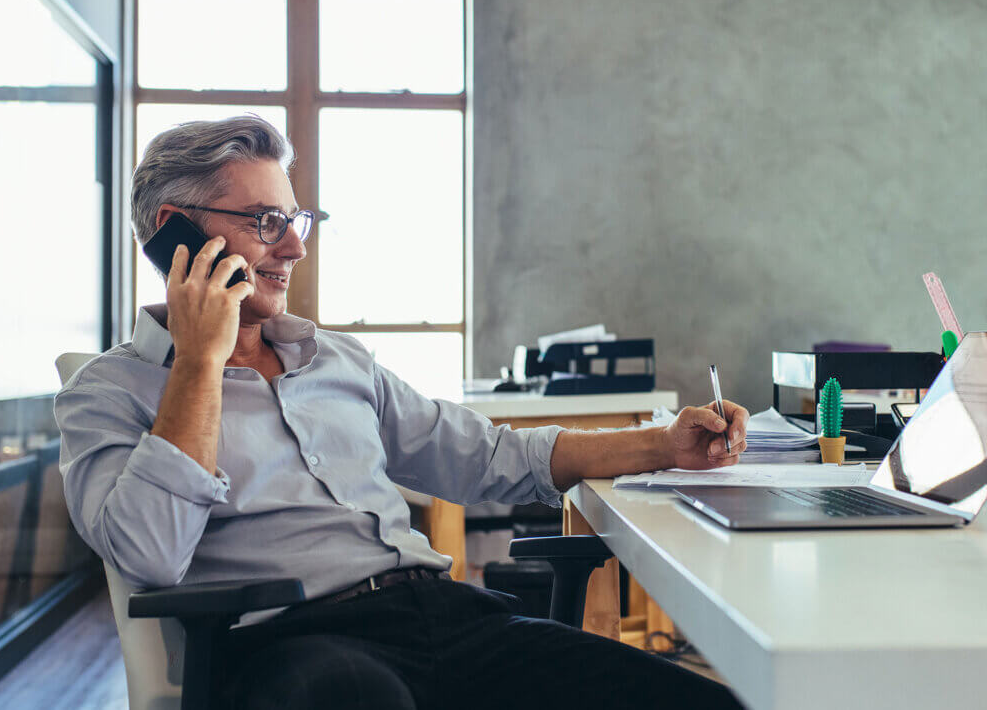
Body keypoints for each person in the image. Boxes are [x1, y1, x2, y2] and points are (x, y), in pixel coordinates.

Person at [55, 116, 750, 709]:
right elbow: (149, 551)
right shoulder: (108, 392)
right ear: (173, 233)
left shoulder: (337, 361)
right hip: (296, 646)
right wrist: (201, 361)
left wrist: (666, 443)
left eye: (295, 221)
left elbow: (492, 457)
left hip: (446, 618)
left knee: (701, 700)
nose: (295, 246)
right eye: (266, 222)